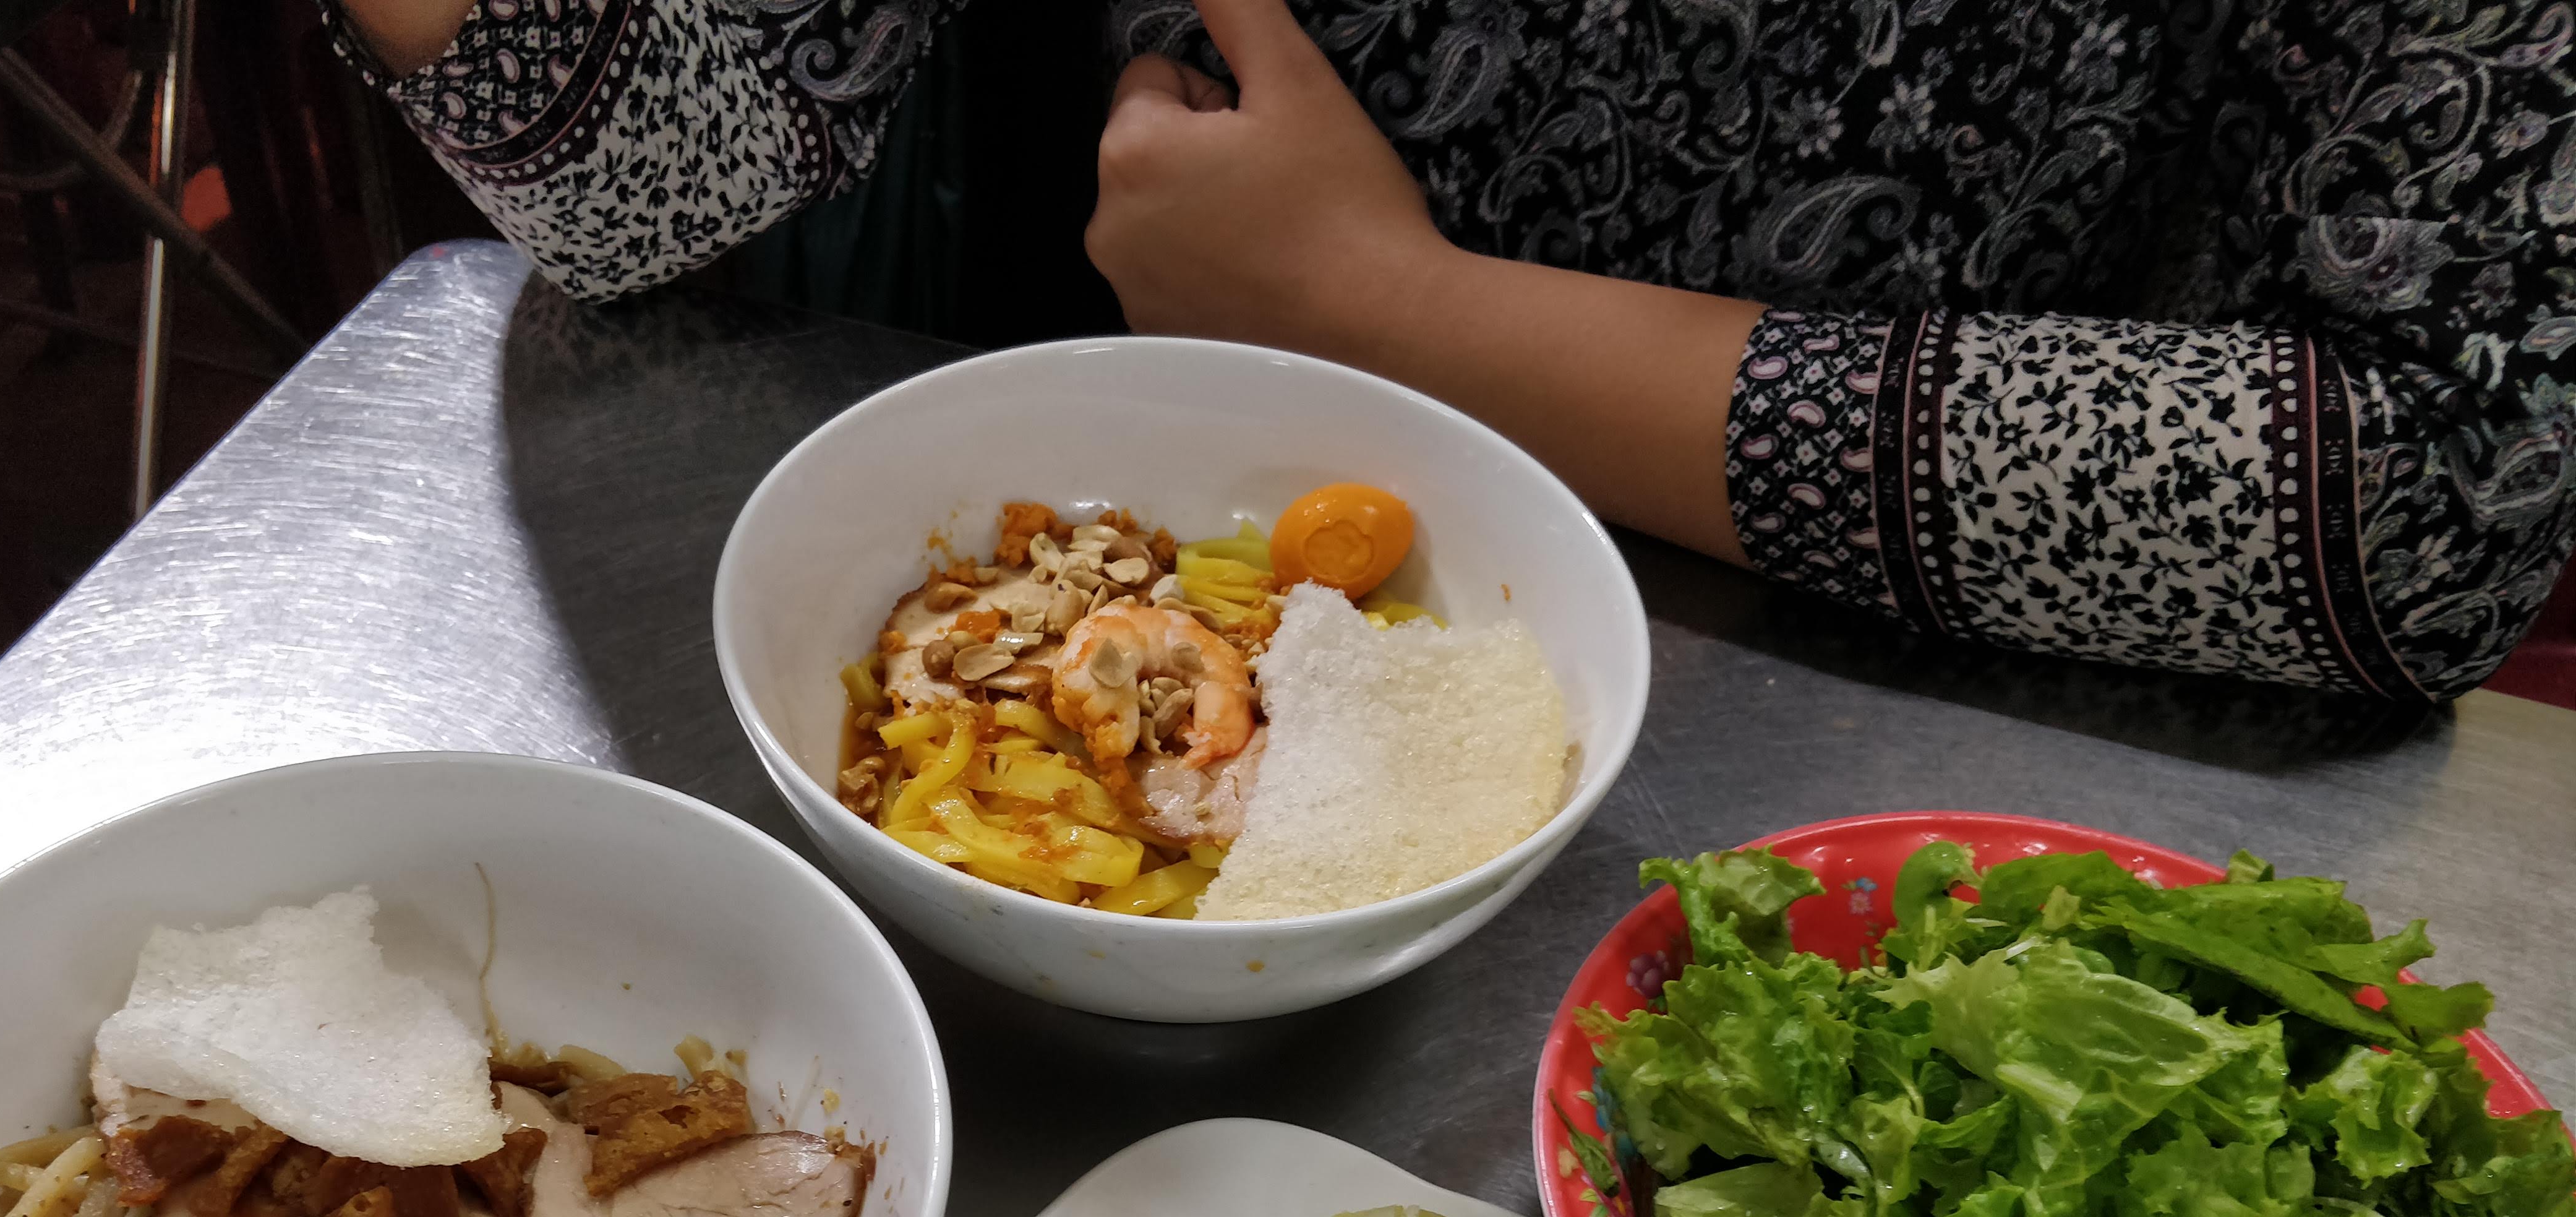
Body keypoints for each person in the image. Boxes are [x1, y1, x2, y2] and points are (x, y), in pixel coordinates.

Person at [327, 0, 2576, 705]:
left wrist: (1393, 316)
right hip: (1117, 653)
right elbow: (656, 160)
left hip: (1903, 730)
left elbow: (2429, 491)